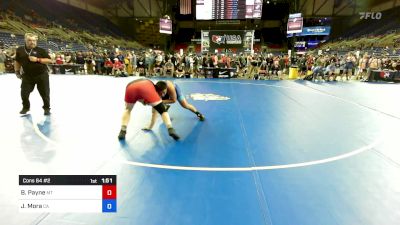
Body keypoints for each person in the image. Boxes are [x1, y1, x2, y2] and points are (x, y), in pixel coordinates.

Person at [15, 33, 52, 115]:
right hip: (27, 76)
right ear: (25, 40)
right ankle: (26, 107)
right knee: (24, 93)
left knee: (45, 94)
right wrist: (17, 71)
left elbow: (50, 60)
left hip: (42, 75)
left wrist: (38, 59)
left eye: (34, 40)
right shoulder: (20, 50)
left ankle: (46, 108)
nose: (32, 42)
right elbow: (17, 61)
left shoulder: (41, 50)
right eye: (30, 40)